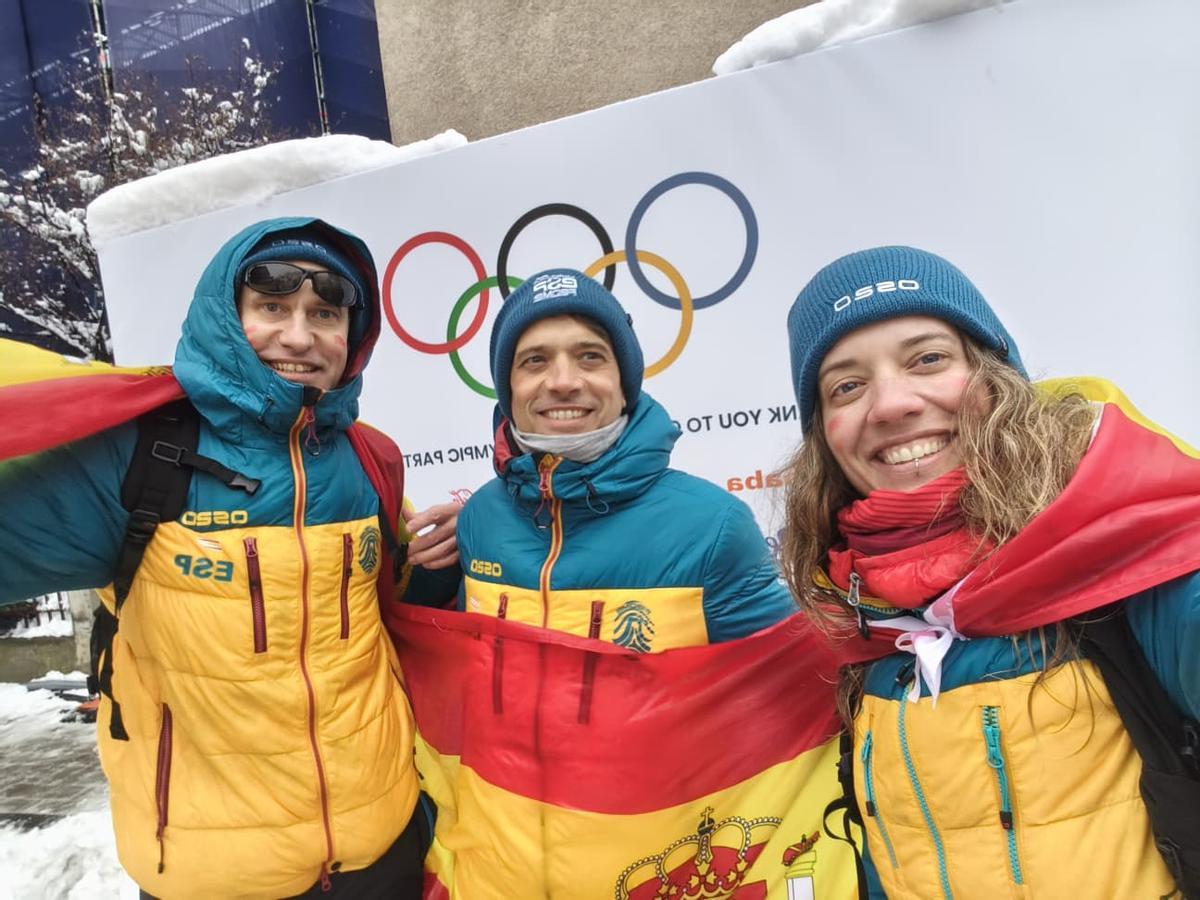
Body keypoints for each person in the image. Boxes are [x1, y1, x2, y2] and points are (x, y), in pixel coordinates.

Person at [0, 217, 459, 899]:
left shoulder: (371, 457)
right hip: (211, 874)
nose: (299, 336)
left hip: (381, 846)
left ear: (351, 338)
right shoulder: (138, 454)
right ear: (227, 313)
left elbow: (394, 616)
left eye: (324, 314)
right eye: (272, 307)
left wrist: (441, 566)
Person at [780, 245, 1200, 897]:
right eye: (847, 385)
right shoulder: (856, 616)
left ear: (997, 377)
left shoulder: (1132, 549)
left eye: (927, 359)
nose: (891, 404)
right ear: (824, 433)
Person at [454, 267, 795, 647]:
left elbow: (785, 682)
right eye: (535, 360)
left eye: (589, 356)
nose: (563, 381)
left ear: (624, 383)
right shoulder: (478, 520)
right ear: (509, 389)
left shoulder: (715, 528)